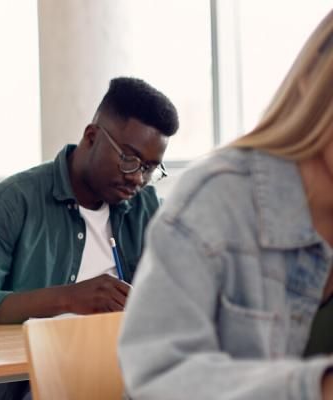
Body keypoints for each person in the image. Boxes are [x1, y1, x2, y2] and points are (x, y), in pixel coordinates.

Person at [119, 10, 333, 399]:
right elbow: (158, 379)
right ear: (314, 86)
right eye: (133, 161)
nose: (137, 177)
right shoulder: (215, 200)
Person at [0, 77, 178, 399]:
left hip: (119, 380)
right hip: (23, 386)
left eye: (149, 168)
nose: (137, 178)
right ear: (91, 137)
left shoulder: (144, 209)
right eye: (129, 160)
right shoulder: (12, 202)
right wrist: (69, 298)